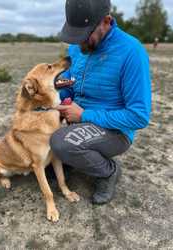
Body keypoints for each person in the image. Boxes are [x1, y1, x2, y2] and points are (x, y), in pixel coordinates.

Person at [50, 0, 151, 205]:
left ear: (106, 21)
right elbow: (68, 81)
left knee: (60, 142)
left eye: (85, 35)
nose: (79, 43)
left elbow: (139, 116)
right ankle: (71, 158)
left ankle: (108, 172)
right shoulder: (77, 48)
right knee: (37, 127)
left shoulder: (131, 52)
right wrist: (54, 95)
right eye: (75, 36)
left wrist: (84, 115)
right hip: (77, 117)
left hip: (115, 131)